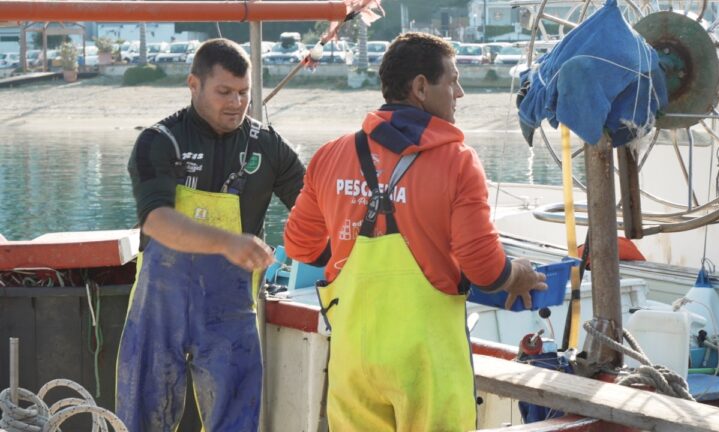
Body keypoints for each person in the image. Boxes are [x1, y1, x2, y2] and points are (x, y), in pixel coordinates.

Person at [283, 32, 547, 431]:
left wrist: (346, 253)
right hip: (427, 364)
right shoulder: (458, 161)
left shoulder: (330, 155)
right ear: (421, 87)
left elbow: (299, 245)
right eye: (452, 80)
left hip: (354, 359)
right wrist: (516, 275)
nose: (460, 93)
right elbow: (482, 267)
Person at [116, 38, 305, 432]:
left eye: (244, 93)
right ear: (193, 85)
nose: (237, 103)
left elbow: (313, 211)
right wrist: (228, 243)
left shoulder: (267, 147)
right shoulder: (159, 140)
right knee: (141, 417)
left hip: (230, 312)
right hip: (159, 307)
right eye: (224, 92)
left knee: (235, 419)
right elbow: (156, 220)